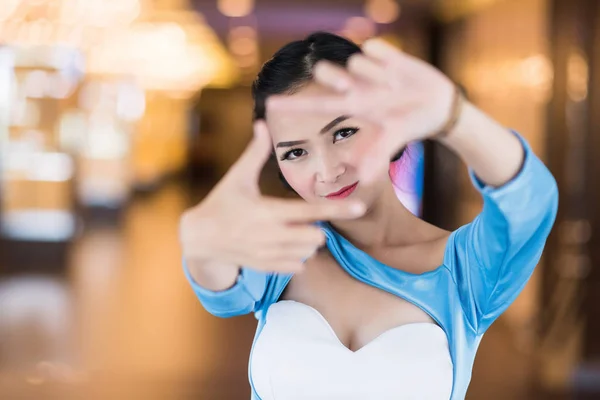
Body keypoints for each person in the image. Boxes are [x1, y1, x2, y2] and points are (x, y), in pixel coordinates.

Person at [179, 32, 558, 400]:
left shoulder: (464, 269)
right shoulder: (281, 251)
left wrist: (455, 118)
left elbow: (530, 204)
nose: (327, 171)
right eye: (295, 152)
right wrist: (201, 249)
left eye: (343, 132)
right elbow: (220, 290)